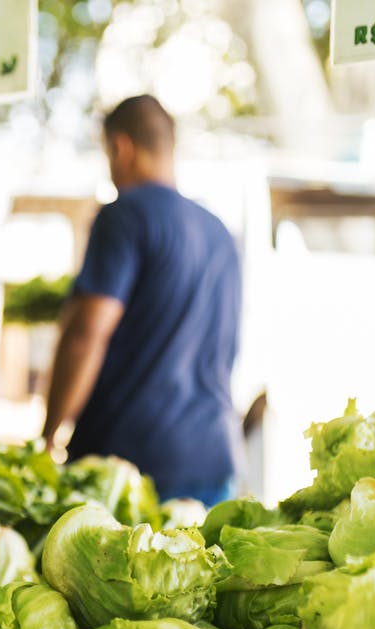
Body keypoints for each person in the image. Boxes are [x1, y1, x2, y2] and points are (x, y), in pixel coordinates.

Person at [41, 95, 243, 506]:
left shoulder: (125, 215)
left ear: (121, 147)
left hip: (131, 467)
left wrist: (48, 435)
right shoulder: (219, 231)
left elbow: (87, 334)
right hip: (214, 460)